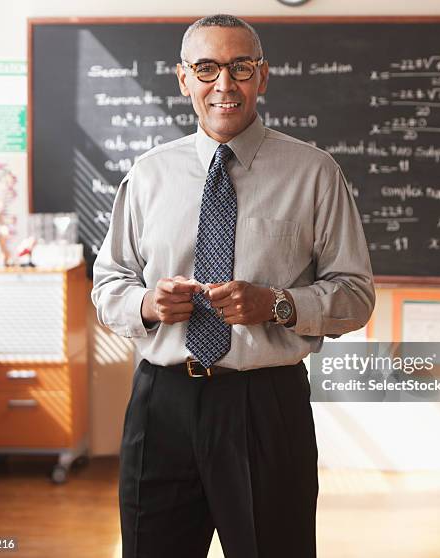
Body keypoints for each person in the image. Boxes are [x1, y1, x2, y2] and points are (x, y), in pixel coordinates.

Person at [91, 13, 375, 558]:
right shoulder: (148, 175)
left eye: (240, 68)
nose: (224, 85)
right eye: (207, 68)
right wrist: (147, 303)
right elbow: (108, 284)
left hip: (265, 407)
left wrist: (280, 304)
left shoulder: (315, 174)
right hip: (161, 404)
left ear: (262, 77)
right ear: (183, 79)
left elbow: (356, 294)